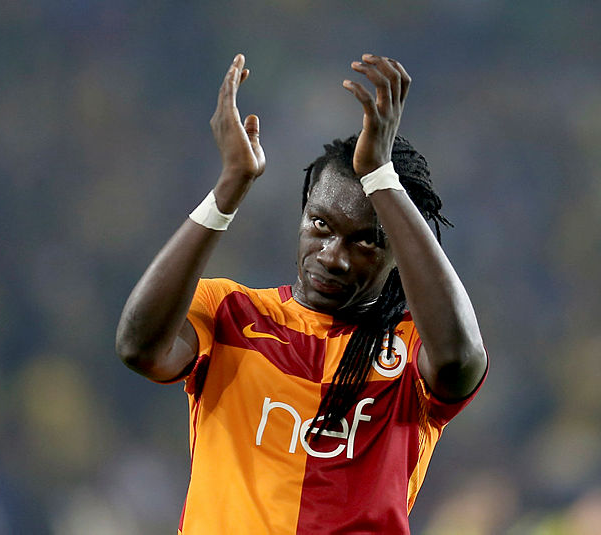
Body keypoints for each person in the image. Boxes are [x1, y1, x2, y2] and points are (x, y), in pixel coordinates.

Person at [115, 52, 489, 534]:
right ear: (302, 214)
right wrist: (228, 189)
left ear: (398, 253)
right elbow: (139, 347)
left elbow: (460, 360)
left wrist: (382, 178)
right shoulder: (230, 312)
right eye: (321, 225)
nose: (333, 256)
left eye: (366, 242)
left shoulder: (411, 346)